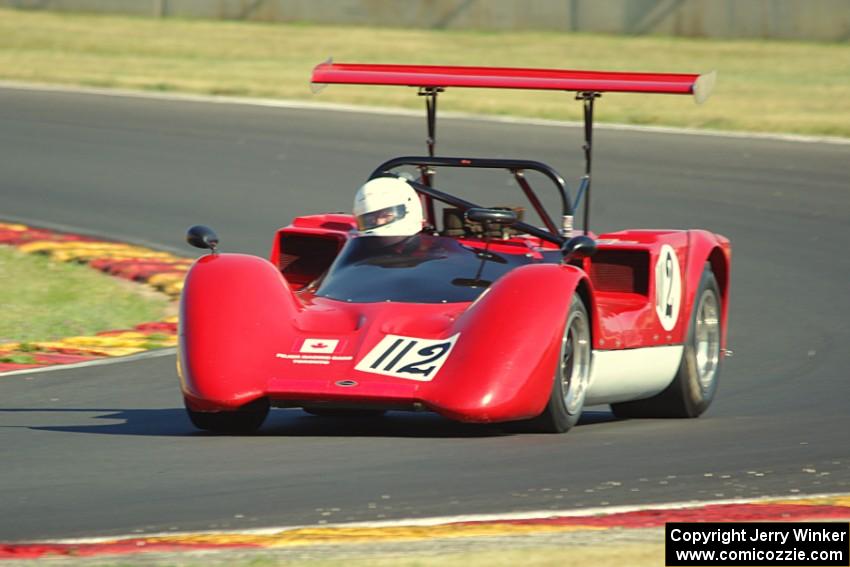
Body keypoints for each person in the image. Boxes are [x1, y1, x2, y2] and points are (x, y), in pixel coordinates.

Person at [352, 176, 424, 237]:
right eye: (370, 219)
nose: (379, 222)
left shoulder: (430, 250)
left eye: (386, 216)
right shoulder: (356, 247)